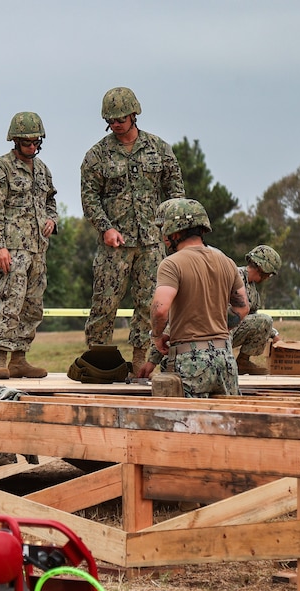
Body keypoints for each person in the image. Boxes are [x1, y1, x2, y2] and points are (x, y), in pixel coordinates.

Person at [81, 87, 185, 376]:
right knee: (104, 303)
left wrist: (169, 228)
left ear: (133, 114)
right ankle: (97, 361)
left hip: (152, 243)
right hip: (115, 244)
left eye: (121, 118)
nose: (116, 124)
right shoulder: (97, 156)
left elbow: (175, 191)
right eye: (111, 120)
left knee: (148, 304)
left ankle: (141, 360)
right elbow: (89, 197)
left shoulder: (159, 149)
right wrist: (105, 228)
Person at [0, 111, 59, 379]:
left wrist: (52, 219)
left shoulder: (42, 170)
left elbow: (51, 201)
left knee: (33, 306)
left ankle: (20, 358)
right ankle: (0, 359)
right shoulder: (0, 168)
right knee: (11, 303)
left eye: (36, 142)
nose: (32, 147)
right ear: (15, 141)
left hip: (39, 249)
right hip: (13, 249)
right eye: (27, 142)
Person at [149, 198, 249, 398]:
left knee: (184, 424)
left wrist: (157, 336)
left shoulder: (172, 264)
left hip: (190, 362)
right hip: (225, 359)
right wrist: (215, 325)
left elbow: (160, 309)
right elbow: (242, 308)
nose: (165, 238)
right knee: (227, 424)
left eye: (166, 233)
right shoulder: (226, 262)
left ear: (176, 233)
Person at [232, 245, 282, 375]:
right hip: (218, 329)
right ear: (263, 268)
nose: (268, 277)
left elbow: (254, 317)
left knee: (265, 321)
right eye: (269, 274)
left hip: (231, 329)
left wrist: (274, 335)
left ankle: (243, 362)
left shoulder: (252, 289)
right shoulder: (234, 276)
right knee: (265, 320)